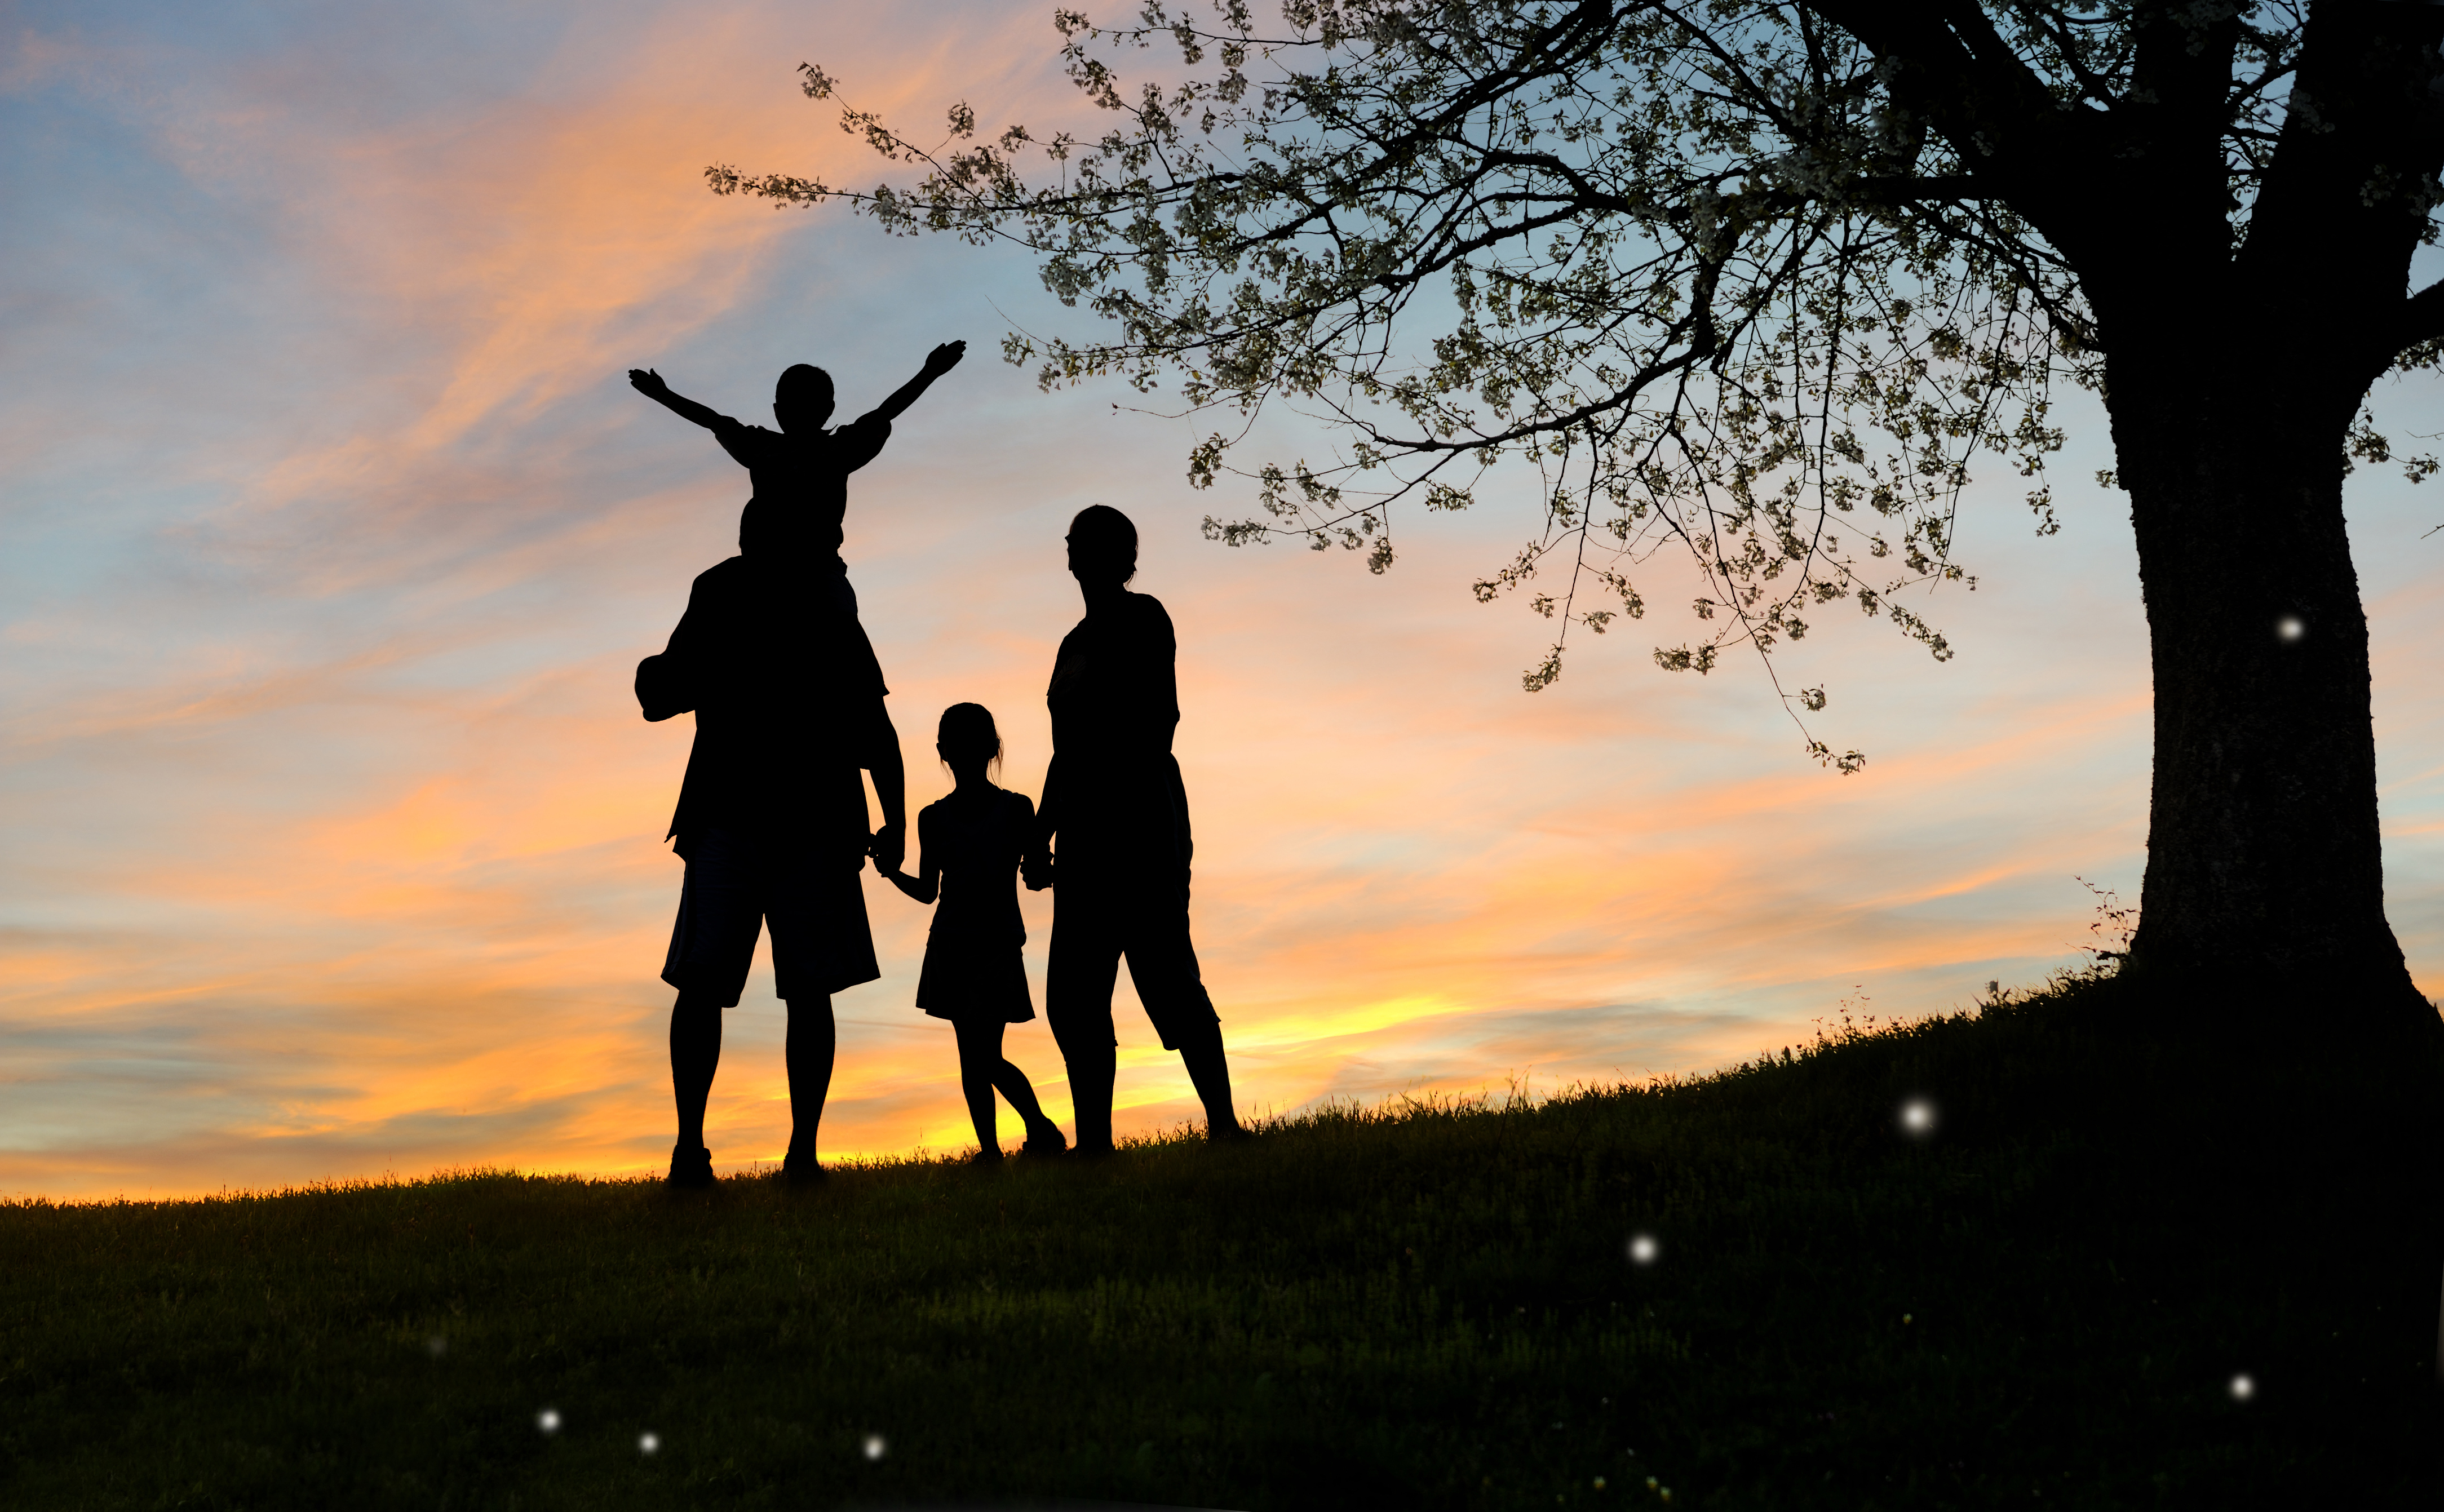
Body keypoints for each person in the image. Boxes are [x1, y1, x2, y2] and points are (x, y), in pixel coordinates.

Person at [628, 345, 965, 1189]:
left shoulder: (815, 595)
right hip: (755, 815)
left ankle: (776, 1148)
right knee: (743, 983)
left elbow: (870, 717)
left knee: (771, 984)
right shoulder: (731, 589)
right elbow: (669, 691)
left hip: (795, 817)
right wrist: (888, 814)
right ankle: (713, 1147)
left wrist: (888, 812)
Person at [1038, 504, 1248, 1156]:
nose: (1083, 555)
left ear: (1123, 558)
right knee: (1074, 994)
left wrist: (1113, 802)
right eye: (1078, 543)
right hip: (1082, 833)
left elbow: (1161, 718)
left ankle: (1224, 1125)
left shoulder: (1145, 616)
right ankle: (1094, 1143)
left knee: (1164, 971)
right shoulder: (1070, 645)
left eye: (1098, 546)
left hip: (1141, 820)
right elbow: (1061, 751)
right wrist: (1042, 831)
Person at [627, 341, 965, 615]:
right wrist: (663, 395)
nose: (800, 410)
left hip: (817, 572)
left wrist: (930, 373)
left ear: (827, 411)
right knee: (708, 588)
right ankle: (671, 687)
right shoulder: (761, 446)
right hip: (759, 569)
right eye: (793, 402)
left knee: (839, 623)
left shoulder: (839, 449)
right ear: (777, 410)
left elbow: (886, 411)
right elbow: (712, 420)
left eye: (809, 402)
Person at [884, 703, 1068, 1164]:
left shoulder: (1015, 809)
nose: (960, 750)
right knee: (976, 1055)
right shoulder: (937, 818)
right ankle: (997, 1147)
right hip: (953, 946)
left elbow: (1036, 870)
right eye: (955, 742)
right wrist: (891, 873)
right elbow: (930, 891)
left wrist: (1044, 869)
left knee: (981, 1055)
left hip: (996, 945)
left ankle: (1035, 1130)